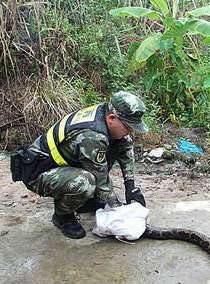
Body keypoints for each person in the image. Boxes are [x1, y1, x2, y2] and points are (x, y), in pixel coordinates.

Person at [10, 91, 149, 239]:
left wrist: (130, 186)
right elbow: (100, 177)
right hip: (39, 172)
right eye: (128, 127)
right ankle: (62, 216)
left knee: (121, 142)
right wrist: (118, 209)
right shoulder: (93, 135)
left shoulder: (105, 113)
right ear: (112, 119)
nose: (131, 131)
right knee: (85, 182)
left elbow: (125, 148)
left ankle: (84, 202)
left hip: (65, 165)